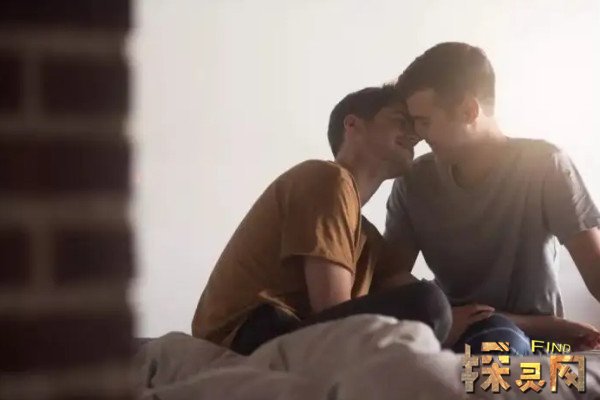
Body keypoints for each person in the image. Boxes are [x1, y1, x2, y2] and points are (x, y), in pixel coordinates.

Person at [192, 85, 452, 355]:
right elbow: (333, 311)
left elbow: (399, 285)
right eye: (400, 121)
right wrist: (440, 313)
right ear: (352, 125)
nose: (414, 135)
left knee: (459, 329)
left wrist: (458, 312)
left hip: (289, 331)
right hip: (249, 333)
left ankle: (473, 372)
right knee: (429, 304)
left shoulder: (368, 239)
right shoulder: (328, 179)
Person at [384, 42, 600, 354]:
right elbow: (390, 279)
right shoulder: (413, 181)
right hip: (452, 333)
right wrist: (444, 317)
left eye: (424, 121)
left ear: (469, 111)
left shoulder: (544, 165)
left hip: (533, 343)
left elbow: (596, 273)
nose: (416, 134)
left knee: (502, 350)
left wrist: (540, 327)